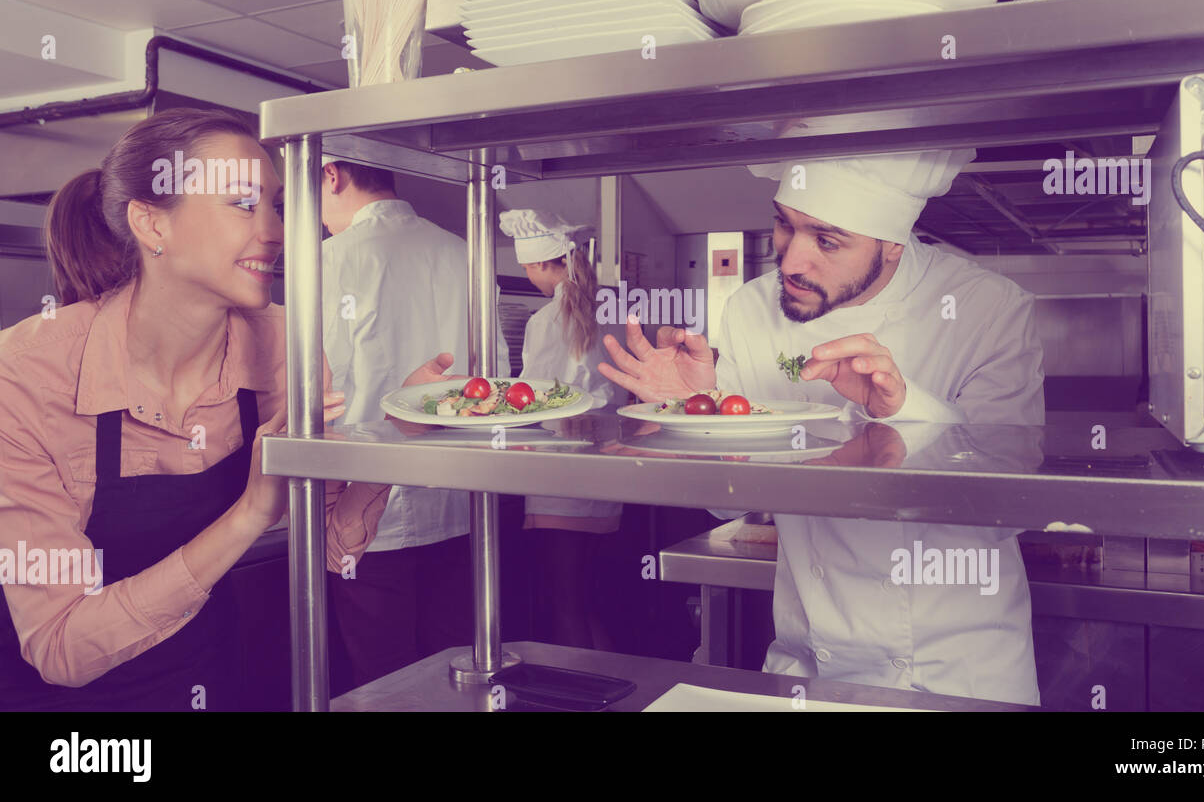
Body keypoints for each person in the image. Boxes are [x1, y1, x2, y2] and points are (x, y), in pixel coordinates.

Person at [0, 108, 453, 711]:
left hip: (208, 675)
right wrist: (250, 513)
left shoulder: (285, 345)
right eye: (243, 204)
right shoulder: (28, 373)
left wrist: (396, 434)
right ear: (151, 222)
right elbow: (61, 648)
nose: (275, 231)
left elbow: (333, 549)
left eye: (277, 206)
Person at [598, 144, 1046, 706]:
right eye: (784, 226)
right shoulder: (751, 309)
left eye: (827, 240)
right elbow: (729, 505)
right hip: (807, 665)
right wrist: (698, 412)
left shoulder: (988, 308)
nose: (789, 262)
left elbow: (1010, 506)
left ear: (891, 245)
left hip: (954, 672)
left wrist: (902, 410)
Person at [319, 155, 510, 690]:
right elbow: (493, 384)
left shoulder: (331, 261)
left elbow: (316, 392)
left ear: (331, 175)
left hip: (365, 521)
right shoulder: (463, 252)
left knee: (381, 684)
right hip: (459, 507)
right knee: (454, 678)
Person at [499, 209, 624, 650]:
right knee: (587, 599)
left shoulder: (544, 321)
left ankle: (581, 694)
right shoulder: (611, 308)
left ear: (541, 266)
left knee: (565, 602)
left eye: (528, 269)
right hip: (606, 472)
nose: (529, 278)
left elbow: (530, 396)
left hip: (559, 475)